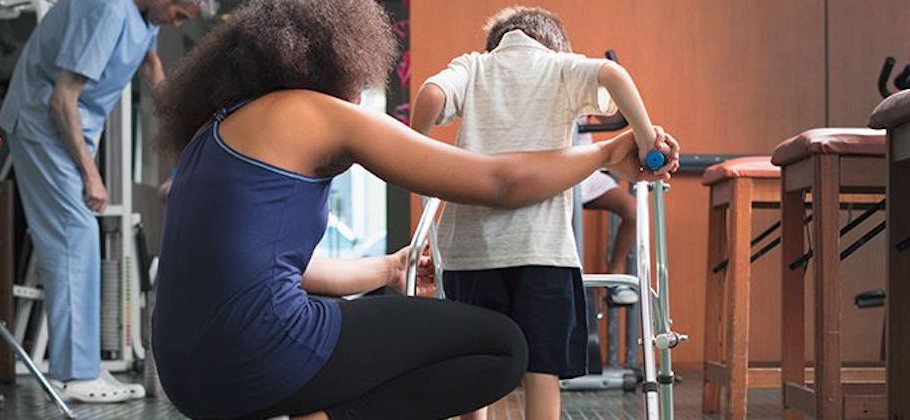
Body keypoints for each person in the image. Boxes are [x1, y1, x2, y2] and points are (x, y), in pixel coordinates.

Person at [151, 0, 679, 419]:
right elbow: (499, 182)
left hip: (188, 379)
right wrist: (609, 152)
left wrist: (390, 267)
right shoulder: (309, 111)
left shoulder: (211, 135)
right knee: (502, 347)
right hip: (263, 354)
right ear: (336, 55)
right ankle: (329, 417)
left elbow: (286, 269)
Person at [409, 7, 671, 420]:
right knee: (542, 366)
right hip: (542, 250)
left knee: (476, 364)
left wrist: (415, 154)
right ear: (554, 42)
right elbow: (614, 76)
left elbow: (431, 95)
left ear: (495, 42)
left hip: (471, 251)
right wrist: (644, 140)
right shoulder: (559, 67)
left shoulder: (475, 66)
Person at [0, 0, 215, 403]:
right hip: (43, 127)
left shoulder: (143, 16)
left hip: (63, 133)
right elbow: (62, 100)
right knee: (75, 234)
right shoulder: (108, 9)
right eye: (180, 14)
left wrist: (188, 123)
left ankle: (83, 365)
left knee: (80, 234)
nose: (175, 23)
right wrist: (91, 175)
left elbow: (149, 65)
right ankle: (76, 376)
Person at [575, 116, 639, 305]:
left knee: (632, 211)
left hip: (587, 169)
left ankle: (615, 276)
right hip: (558, 168)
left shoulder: (584, 90)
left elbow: (613, 116)